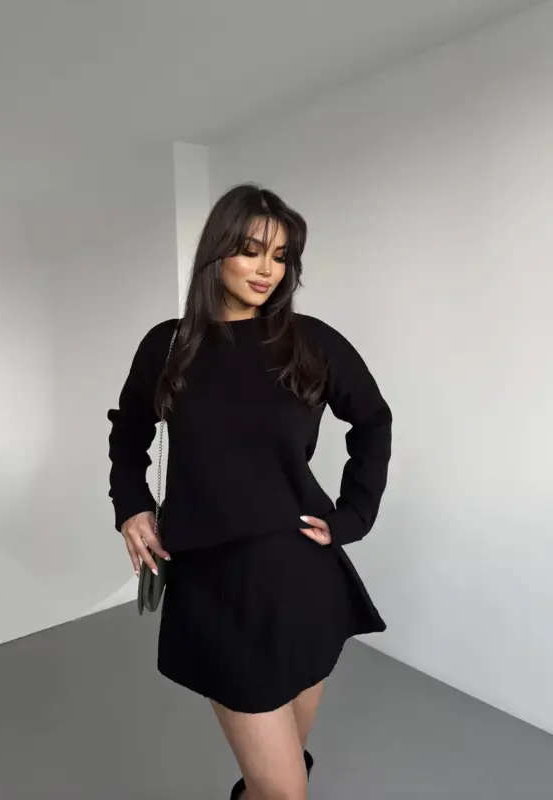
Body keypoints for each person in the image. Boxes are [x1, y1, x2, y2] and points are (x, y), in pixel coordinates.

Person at [107, 183, 392, 800]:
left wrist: (354, 516)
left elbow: (373, 420)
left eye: (281, 256)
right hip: (214, 585)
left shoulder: (310, 341)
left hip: (303, 577)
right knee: (286, 789)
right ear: (216, 253)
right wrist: (130, 505)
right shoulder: (168, 345)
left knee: (284, 772)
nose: (268, 269)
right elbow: (128, 432)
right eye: (251, 250)